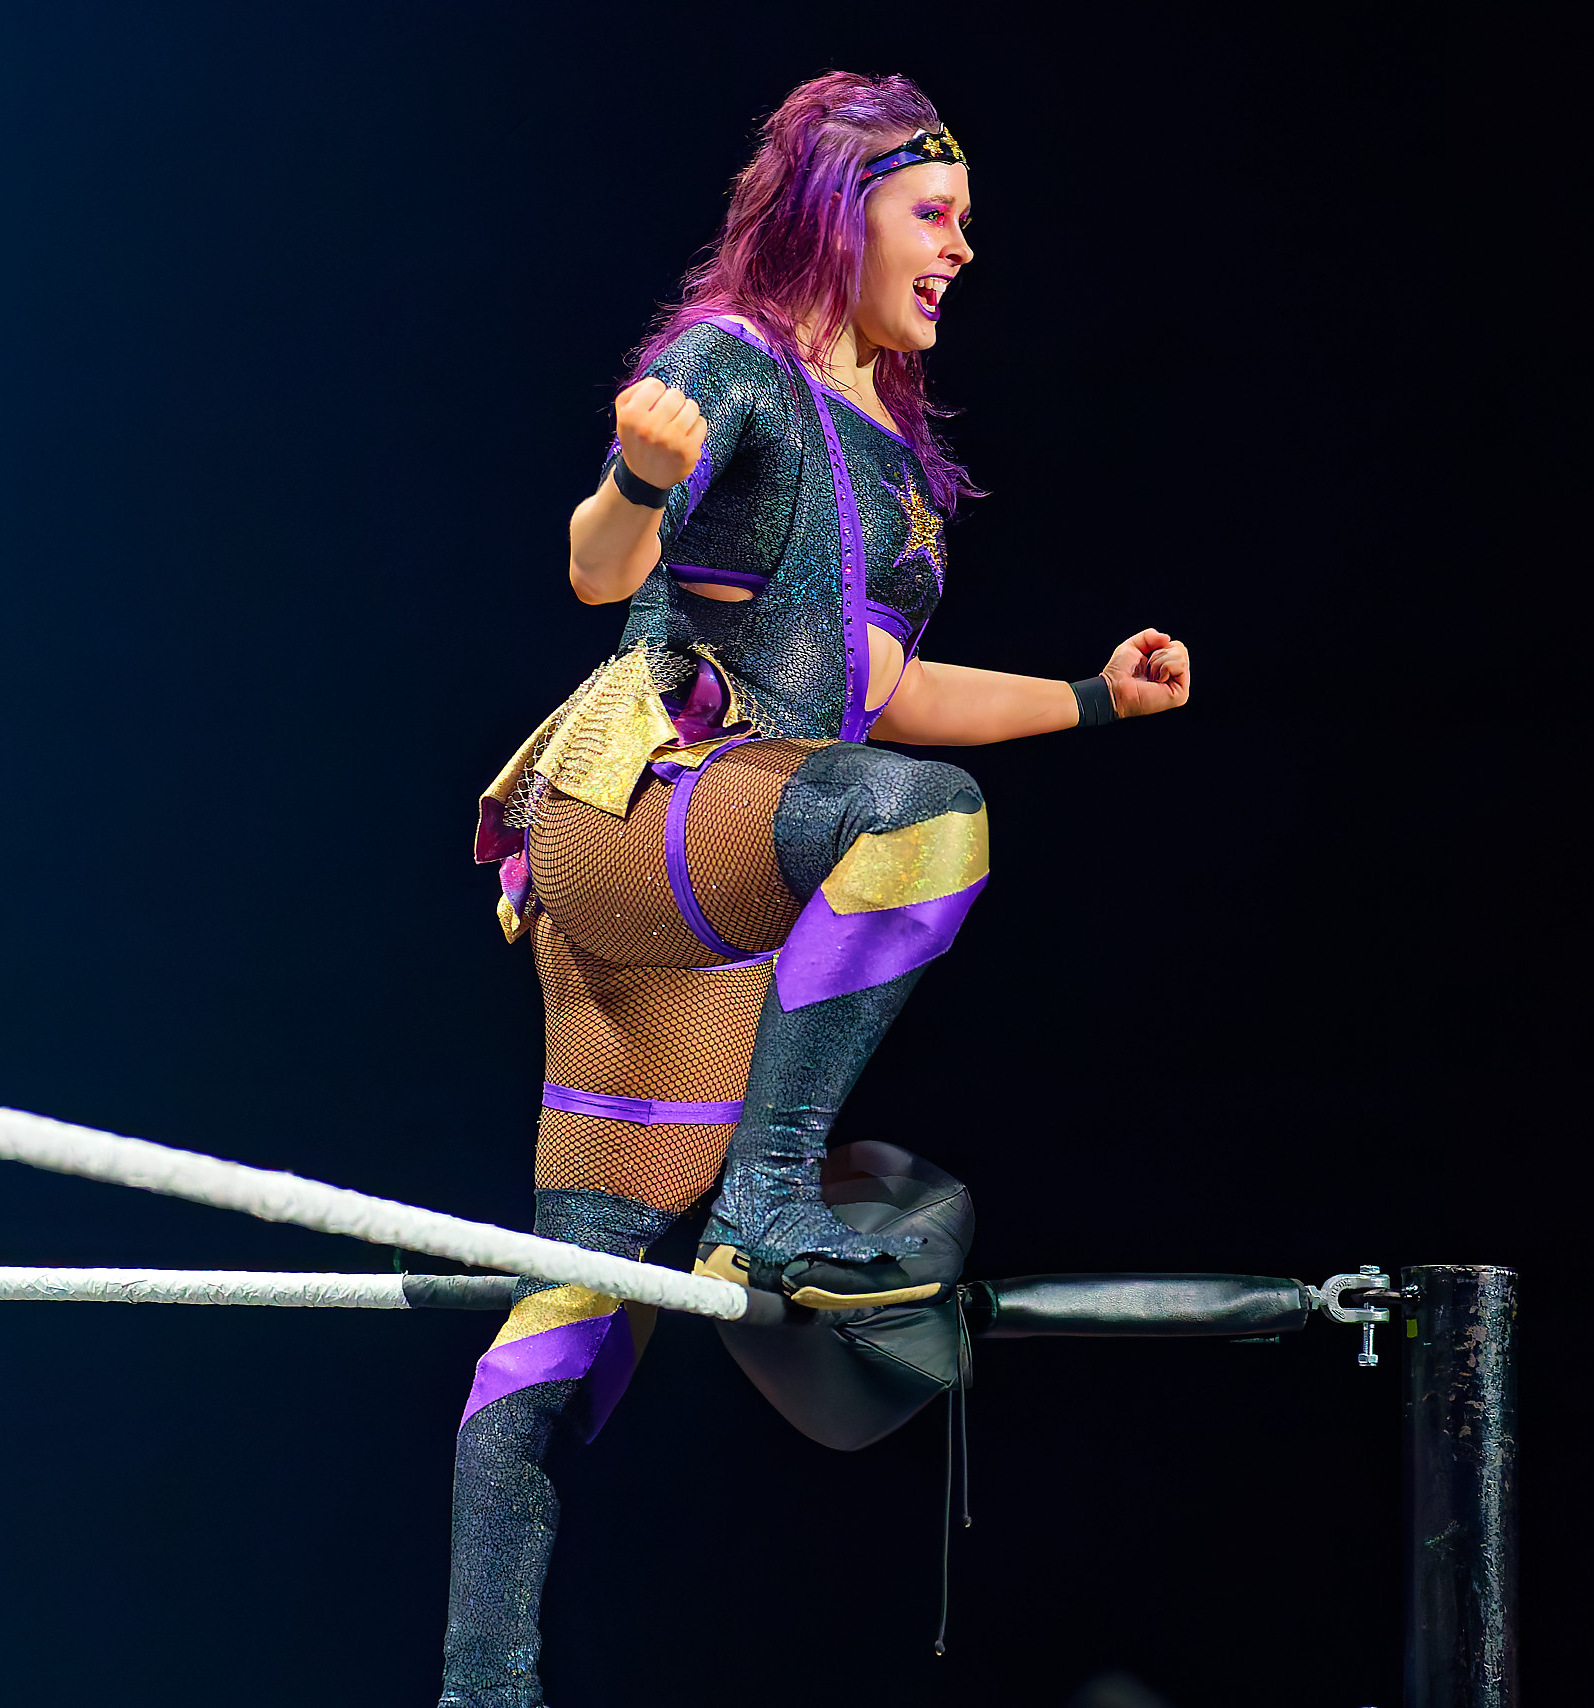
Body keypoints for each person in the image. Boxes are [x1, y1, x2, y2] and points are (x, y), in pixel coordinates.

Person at [442, 71, 1190, 1708]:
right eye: (936, 214)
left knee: (575, 1322)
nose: (964, 249)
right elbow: (598, 570)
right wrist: (637, 481)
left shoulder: (893, 456)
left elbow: (882, 691)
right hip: (649, 810)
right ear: (838, 214)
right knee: (927, 826)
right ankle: (770, 1190)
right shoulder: (731, 363)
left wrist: (1090, 700)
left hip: (708, 905)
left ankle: (481, 1687)